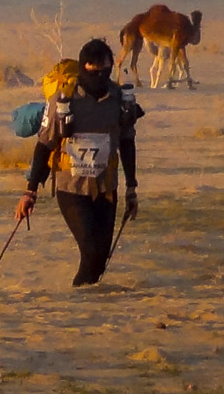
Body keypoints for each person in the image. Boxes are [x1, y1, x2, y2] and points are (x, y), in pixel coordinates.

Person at [14, 37, 143, 286]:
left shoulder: (120, 100)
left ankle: (88, 311)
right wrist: (29, 192)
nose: (100, 78)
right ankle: (77, 302)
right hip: (71, 189)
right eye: (94, 72)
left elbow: (127, 143)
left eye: (105, 71)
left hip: (106, 188)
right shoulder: (63, 101)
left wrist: (132, 189)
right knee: (91, 250)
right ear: (84, 67)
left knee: (100, 259)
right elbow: (43, 146)